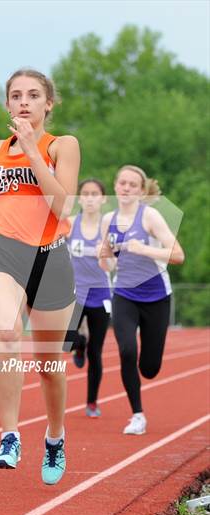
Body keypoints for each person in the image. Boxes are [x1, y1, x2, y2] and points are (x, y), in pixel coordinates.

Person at [0, 68, 80, 485]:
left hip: (51, 260)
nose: (23, 102)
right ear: (6, 104)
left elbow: (62, 207)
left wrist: (33, 151)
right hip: (7, 256)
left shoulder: (62, 146)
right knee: (4, 332)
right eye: (16, 95)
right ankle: (9, 435)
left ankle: (55, 436)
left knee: (49, 365)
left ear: (47, 104)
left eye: (33, 95)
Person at [99, 165, 184, 435]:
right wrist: (104, 256)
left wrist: (144, 249)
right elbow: (108, 264)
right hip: (124, 294)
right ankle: (137, 415)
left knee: (149, 367)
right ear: (115, 186)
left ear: (141, 190)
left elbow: (178, 255)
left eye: (132, 185)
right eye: (122, 183)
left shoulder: (150, 216)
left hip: (157, 296)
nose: (126, 188)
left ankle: (148, 367)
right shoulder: (107, 220)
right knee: (126, 351)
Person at [63, 179, 111, 418]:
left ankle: (92, 402)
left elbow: (114, 264)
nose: (90, 198)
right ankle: (79, 344)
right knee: (66, 340)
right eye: (86, 194)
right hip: (75, 292)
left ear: (103, 198)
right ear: (79, 198)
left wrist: (108, 256)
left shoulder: (109, 227)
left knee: (97, 353)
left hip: (101, 294)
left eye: (95, 194)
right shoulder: (71, 224)